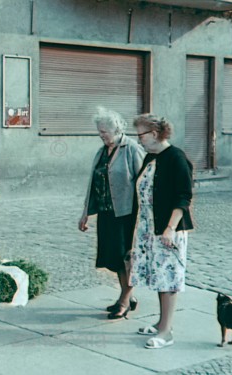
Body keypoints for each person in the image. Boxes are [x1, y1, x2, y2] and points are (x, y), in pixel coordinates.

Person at [128, 113, 194, 349]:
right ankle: (161, 323)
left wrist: (169, 228)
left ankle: (166, 332)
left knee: (168, 279)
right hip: (150, 227)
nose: (139, 140)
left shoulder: (176, 157)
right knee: (159, 277)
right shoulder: (150, 157)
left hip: (168, 229)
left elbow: (184, 196)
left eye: (140, 135)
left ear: (154, 134)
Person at [79, 107, 145, 319]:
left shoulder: (131, 149)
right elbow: (94, 184)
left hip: (126, 214)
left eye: (104, 131)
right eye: (99, 131)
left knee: (126, 258)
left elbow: (144, 181)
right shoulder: (102, 151)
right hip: (107, 213)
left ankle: (124, 301)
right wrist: (86, 214)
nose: (101, 135)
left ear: (116, 129)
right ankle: (127, 296)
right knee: (115, 259)